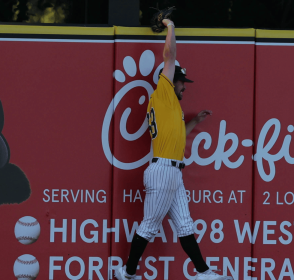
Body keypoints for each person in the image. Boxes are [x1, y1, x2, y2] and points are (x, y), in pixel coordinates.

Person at [114, 18, 233, 280]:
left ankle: (202, 272)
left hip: (172, 172)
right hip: (162, 171)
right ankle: (128, 271)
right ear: (171, 81)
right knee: (149, 226)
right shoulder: (164, 92)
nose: (183, 86)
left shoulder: (171, 108)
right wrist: (170, 25)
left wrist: (195, 122)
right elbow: (170, 56)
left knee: (185, 225)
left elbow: (178, 136)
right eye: (182, 82)